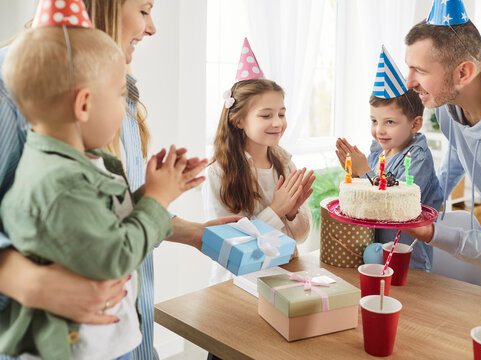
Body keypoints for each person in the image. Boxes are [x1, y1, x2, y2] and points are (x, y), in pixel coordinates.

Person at [0, 1, 239, 359]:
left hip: (128, 339)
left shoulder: (112, 88)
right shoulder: (13, 89)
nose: (152, 27)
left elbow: (94, 213)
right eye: (144, 10)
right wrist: (28, 282)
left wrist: (188, 228)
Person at [402, 1, 481, 297]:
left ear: (464, 73)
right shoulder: (448, 106)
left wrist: (432, 232)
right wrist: (428, 204)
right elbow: (461, 152)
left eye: (419, 70)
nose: (410, 82)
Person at [203, 38, 314, 285]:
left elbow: (301, 237)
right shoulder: (219, 174)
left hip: (281, 278)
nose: (277, 123)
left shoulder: (284, 165)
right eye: (266, 115)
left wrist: (293, 213)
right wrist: (277, 210)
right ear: (239, 120)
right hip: (236, 284)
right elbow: (233, 247)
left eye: (281, 114)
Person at [335, 46, 443, 272]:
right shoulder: (379, 150)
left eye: (389, 122)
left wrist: (364, 171)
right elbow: (369, 196)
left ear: (414, 124)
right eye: (374, 121)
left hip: (408, 261)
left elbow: (397, 203)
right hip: (377, 254)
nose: (379, 130)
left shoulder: (417, 158)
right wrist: (354, 172)